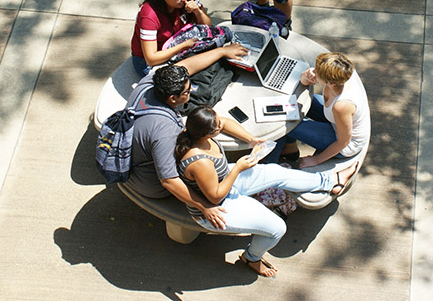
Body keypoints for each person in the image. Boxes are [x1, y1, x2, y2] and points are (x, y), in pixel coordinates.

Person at [175, 106, 358, 277]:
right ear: (208, 133)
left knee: (275, 171)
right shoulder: (200, 162)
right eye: (217, 125)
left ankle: (330, 181)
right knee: (277, 228)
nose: (221, 123)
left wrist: (251, 140)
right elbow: (215, 197)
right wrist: (238, 168)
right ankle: (251, 258)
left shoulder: (196, 131)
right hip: (216, 206)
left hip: (225, 181)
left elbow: (225, 122)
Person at [123, 44, 249, 230]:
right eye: (187, 92)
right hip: (149, 184)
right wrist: (204, 206)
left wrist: (221, 52)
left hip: (136, 154)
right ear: (173, 99)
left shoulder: (151, 84)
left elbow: (186, 67)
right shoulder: (165, 133)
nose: (191, 93)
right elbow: (169, 181)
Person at [266, 52, 370, 168]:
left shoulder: (342, 105)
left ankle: (268, 166)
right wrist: (305, 77)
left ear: (331, 83)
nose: (314, 71)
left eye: (317, 72)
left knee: (283, 124)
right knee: (290, 106)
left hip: (345, 144)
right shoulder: (341, 73)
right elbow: (304, 82)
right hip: (335, 120)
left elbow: (343, 142)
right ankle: (289, 150)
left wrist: (316, 160)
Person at [131, 0, 212, 78]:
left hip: (178, 48)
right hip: (150, 61)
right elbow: (151, 59)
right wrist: (183, 46)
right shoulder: (149, 15)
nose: (184, 0)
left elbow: (207, 26)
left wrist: (198, 12)